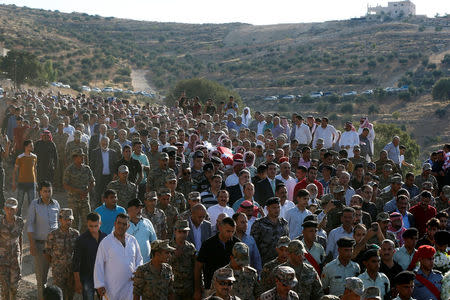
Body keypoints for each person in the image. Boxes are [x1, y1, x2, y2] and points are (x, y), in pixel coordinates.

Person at [94, 213, 143, 300]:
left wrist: (137, 273)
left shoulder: (133, 241)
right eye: (119, 223)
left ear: (128, 226)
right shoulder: (106, 242)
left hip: (130, 289)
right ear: (114, 224)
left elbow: (139, 260)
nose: (121, 226)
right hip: (112, 289)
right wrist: (99, 285)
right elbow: (99, 264)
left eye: (124, 224)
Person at [27, 181, 60, 300]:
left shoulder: (56, 204)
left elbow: (59, 223)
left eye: (49, 191)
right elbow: (30, 225)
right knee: (42, 280)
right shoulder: (34, 204)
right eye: (45, 191)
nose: (47, 193)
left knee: (58, 278)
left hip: (56, 246)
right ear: (40, 192)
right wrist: (32, 244)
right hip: (41, 245)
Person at [194, 217, 239, 299]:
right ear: (220, 228)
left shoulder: (237, 244)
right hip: (211, 289)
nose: (230, 234)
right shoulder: (208, 244)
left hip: (230, 288)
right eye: (228, 231)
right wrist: (197, 290)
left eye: (233, 231)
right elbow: (198, 267)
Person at [45, 208, 80, 300]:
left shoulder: (76, 234)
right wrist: (55, 264)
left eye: (70, 220)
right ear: (60, 219)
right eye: (66, 219)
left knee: (70, 294)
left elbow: (78, 253)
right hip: (58, 272)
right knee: (58, 295)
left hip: (71, 271)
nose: (68, 222)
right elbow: (47, 252)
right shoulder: (53, 235)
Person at [73, 212, 107, 300]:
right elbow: (76, 262)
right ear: (87, 224)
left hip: (103, 277)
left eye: (96, 226)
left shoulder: (105, 238)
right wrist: (77, 281)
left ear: (100, 224)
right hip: (87, 277)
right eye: (91, 226)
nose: (93, 229)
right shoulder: (81, 240)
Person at [63, 148, 95, 232]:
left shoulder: (87, 169)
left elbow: (92, 182)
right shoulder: (69, 170)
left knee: (87, 222)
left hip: (84, 199)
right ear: (74, 158)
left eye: (83, 156)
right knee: (74, 223)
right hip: (73, 200)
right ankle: (75, 239)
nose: (83, 158)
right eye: (80, 156)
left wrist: (87, 191)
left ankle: (82, 238)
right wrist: (77, 191)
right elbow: (65, 185)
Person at [251, 197, 289, 264]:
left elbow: (287, 242)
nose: (277, 210)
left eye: (278, 207)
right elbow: (254, 245)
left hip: (281, 261)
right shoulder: (259, 224)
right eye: (274, 208)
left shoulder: (284, 223)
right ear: (268, 209)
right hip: (264, 261)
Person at [0, 198, 24, 300]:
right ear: (4, 208)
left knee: (14, 288)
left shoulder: (20, 221)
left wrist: (21, 256)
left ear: (16, 209)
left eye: (12, 209)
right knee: (5, 289)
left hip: (15, 259)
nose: (10, 211)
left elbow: (20, 238)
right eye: (8, 208)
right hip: (2, 260)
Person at [169, 220, 197, 299]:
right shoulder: (168, 247)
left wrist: (198, 288)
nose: (182, 234)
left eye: (184, 232)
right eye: (180, 231)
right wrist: (174, 256)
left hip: (188, 289)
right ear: (175, 231)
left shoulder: (191, 247)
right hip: (173, 289)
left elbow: (196, 268)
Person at [89, 136, 119, 205]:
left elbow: (115, 165)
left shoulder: (113, 152)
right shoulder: (95, 152)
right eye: (103, 144)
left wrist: (115, 174)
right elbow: (92, 165)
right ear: (100, 143)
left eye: (106, 143)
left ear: (109, 143)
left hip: (110, 177)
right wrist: (92, 177)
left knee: (110, 193)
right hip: (99, 177)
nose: (104, 145)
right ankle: (99, 209)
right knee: (98, 194)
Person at [126, 198, 157, 263]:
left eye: (141, 208)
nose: (140, 210)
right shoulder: (121, 223)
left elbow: (155, 242)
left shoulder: (147, 222)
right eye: (137, 208)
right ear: (129, 209)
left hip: (145, 264)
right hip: (128, 264)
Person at [12, 139, 37, 215]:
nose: (32, 147)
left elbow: (35, 170)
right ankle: (18, 218)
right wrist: (14, 182)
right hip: (21, 183)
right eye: (31, 145)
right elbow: (15, 171)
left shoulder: (34, 157)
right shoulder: (20, 157)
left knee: (32, 203)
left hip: (32, 183)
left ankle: (31, 220)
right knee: (19, 202)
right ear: (26, 147)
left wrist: (36, 181)